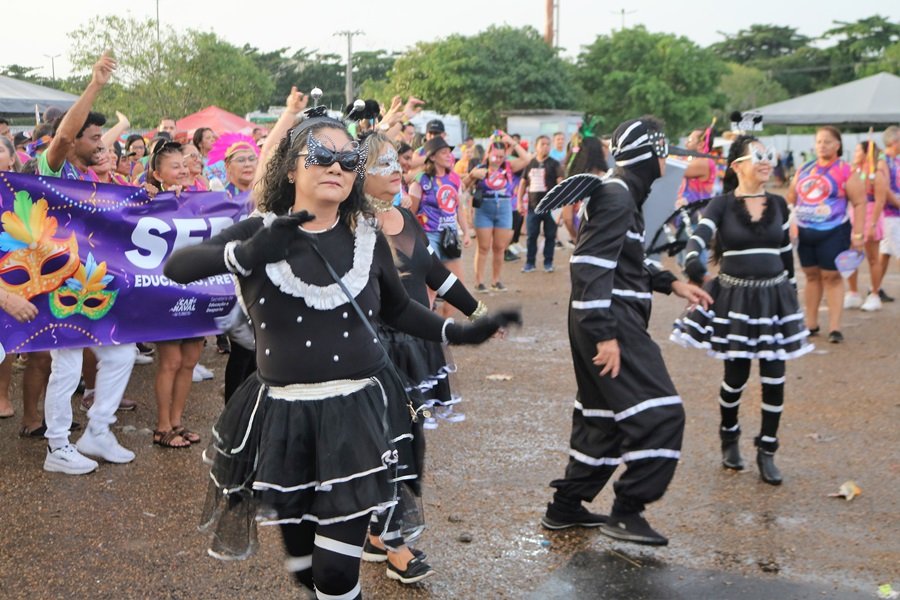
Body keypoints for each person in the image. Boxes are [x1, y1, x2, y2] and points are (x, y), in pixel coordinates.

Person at [164, 107, 519, 598]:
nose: (336, 166)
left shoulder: (368, 237)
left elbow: (398, 309)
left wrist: (462, 332)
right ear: (291, 169)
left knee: (335, 571)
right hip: (286, 419)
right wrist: (245, 254)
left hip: (358, 416)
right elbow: (178, 268)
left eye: (349, 158)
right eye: (321, 154)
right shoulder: (258, 231)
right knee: (306, 569)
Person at [540, 116, 711, 546]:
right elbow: (588, 265)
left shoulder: (619, 194)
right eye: (664, 152)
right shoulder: (616, 196)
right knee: (662, 412)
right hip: (609, 319)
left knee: (603, 418)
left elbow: (625, 258)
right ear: (650, 155)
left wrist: (671, 283)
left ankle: (565, 507)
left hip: (602, 316)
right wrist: (605, 335)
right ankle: (627, 511)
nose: (668, 162)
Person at [360, 133, 485, 583]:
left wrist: (478, 312)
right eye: (383, 164)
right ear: (358, 173)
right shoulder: (351, 226)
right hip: (377, 348)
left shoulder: (405, 215)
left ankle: (378, 534)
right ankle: (395, 542)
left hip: (417, 345)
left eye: (397, 161)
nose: (397, 169)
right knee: (391, 444)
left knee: (412, 439)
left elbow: (434, 274)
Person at [671, 135, 813, 485]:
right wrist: (692, 260)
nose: (766, 161)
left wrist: (791, 294)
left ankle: (767, 449)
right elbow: (698, 238)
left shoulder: (778, 204)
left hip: (773, 300)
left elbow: (785, 254)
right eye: (758, 156)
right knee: (735, 378)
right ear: (737, 166)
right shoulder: (720, 204)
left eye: (769, 155)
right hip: (735, 300)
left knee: (775, 377)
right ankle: (729, 436)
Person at [39, 52, 137, 475]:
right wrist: (95, 85)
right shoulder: (53, 167)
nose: (102, 143)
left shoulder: (87, 175)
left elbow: (91, 139)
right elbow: (64, 135)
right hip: (55, 282)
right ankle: (57, 447)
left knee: (121, 353)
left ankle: (97, 431)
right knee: (67, 363)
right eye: (94, 137)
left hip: (88, 283)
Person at [142, 141, 204, 449]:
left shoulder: (201, 197)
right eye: (174, 166)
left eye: (184, 164)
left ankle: (178, 421)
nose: (182, 170)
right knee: (171, 360)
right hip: (165, 292)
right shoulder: (149, 199)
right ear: (157, 173)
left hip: (199, 289)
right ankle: (162, 426)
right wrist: (155, 197)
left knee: (190, 359)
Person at [787, 126, 865, 343]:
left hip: (834, 231)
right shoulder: (805, 169)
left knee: (832, 276)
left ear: (837, 145)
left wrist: (858, 235)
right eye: (819, 141)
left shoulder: (845, 170)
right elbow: (791, 197)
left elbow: (859, 202)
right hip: (805, 231)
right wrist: (790, 221)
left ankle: (834, 328)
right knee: (811, 275)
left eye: (827, 142)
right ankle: (811, 324)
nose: (822, 146)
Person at [409, 136, 470, 313]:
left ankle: (444, 324)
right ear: (432, 156)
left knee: (457, 286)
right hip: (429, 237)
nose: (449, 155)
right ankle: (427, 325)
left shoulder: (455, 179)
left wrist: (466, 232)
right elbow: (410, 214)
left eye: (449, 152)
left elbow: (458, 208)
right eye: (444, 152)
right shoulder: (421, 180)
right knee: (432, 287)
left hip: (451, 236)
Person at [467, 133, 530, 292]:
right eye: (495, 156)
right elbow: (464, 185)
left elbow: (527, 159)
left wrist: (512, 143)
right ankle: (479, 281)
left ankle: (496, 281)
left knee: (500, 247)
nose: (498, 159)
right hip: (484, 208)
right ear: (488, 153)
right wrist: (472, 175)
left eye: (502, 156)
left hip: (504, 208)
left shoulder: (508, 166)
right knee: (483, 247)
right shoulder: (480, 167)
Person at [845, 141, 888, 311]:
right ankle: (853, 292)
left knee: (873, 257)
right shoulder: (854, 172)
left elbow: (880, 200)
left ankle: (874, 294)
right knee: (850, 255)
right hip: (854, 215)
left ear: (866, 153)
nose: (855, 153)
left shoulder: (876, 174)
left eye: (858, 150)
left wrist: (873, 224)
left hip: (870, 214)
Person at [518, 135, 563, 273]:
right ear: (536, 146)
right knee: (531, 236)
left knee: (550, 236)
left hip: (551, 208)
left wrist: (560, 206)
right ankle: (530, 263)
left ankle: (548, 263)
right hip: (533, 207)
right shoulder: (530, 164)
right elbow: (523, 184)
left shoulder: (555, 164)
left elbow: (561, 184)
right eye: (542, 144)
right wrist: (519, 202)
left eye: (548, 144)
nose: (545, 147)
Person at [878, 126, 900, 302]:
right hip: (889, 214)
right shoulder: (883, 161)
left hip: (894, 215)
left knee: (884, 254)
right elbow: (884, 188)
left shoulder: (896, 161)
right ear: (894, 142)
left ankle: (875, 288)